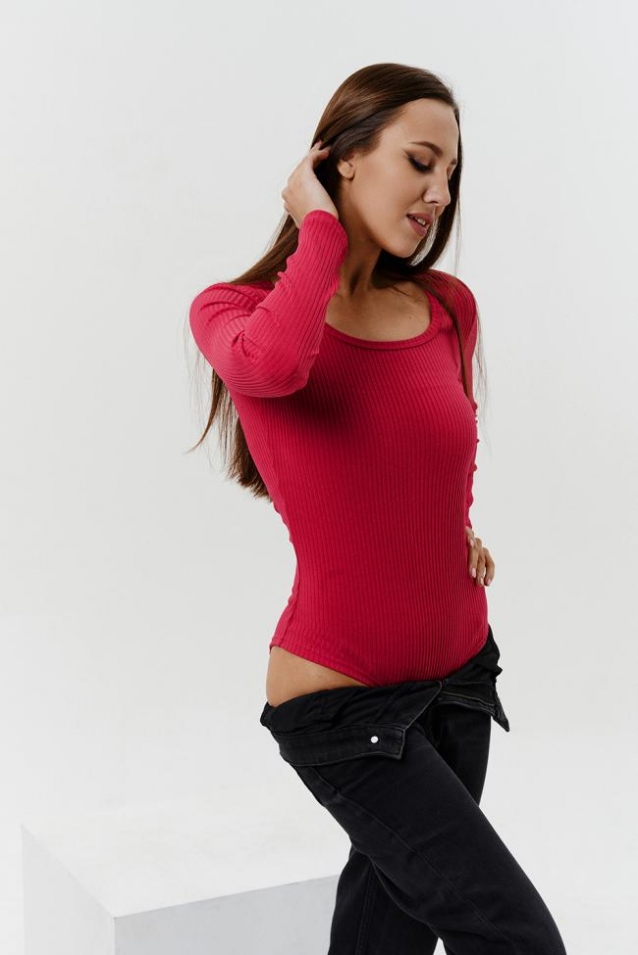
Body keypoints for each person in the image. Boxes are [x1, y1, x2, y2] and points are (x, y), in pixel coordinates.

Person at [188, 63, 568, 955]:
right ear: (344, 158)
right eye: (420, 162)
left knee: (383, 939)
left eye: (451, 174)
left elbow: (440, 443)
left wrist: (452, 527)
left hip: (461, 677)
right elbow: (277, 366)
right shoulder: (232, 311)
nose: (440, 194)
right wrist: (318, 226)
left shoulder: (447, 309)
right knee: (517, 937)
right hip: (344, 707)